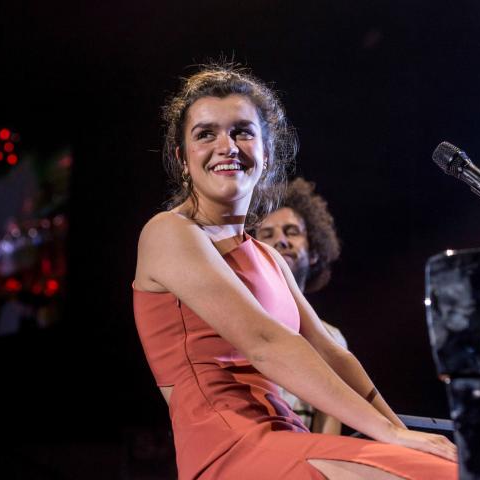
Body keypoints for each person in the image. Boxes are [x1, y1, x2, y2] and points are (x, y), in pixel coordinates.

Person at [133, 64, 458, 479]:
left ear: (267, 154)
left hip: (287, 439)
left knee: (461, 468)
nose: (226, 146)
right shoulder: (169, 232)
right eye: (206, 134)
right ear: (183, 159)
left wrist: (401, 433)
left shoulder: (267, 259)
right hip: (231, 449)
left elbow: (331, 353)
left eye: (242, 132)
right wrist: (390, 436)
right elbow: (264, 342)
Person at [252, 177, 347, 435]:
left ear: (313, 251)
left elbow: (328, 437)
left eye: (292, 231)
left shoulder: (332, 339)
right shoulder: (234, 324)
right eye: (267, 235)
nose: (280, 241)